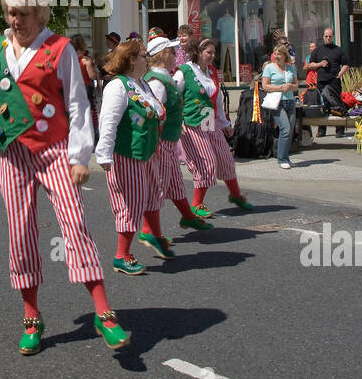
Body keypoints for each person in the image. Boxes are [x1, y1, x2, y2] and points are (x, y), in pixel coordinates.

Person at [0, 0, 129, 355]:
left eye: (23, 14)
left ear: (40, 14)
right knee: (21, 232)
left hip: (55, 150)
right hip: (12, 152)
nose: (16, 20)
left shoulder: (58, 50)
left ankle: (103, 313)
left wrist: (80, 156)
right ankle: (31, 316)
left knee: (74, 225)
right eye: (11, 13)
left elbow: (77, 105)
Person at [94, 37, 166, 275]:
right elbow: (108, 122)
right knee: (130, 204)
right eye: (144, 56)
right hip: (127, 155)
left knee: (152, 196)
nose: (147, 59)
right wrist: (104, 155)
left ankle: (154, 237)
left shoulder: (142, 84)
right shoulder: (118, 86)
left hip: (147, 154)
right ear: (132, 60)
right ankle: (121, 256)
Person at [143, 29, 211, 236]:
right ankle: (148, 232)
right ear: (163, 54)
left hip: (169, 141)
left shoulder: (164, 76)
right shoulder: (157, 80)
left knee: (174, 184)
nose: (175, 55)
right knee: (158, 188)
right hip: (161, 142)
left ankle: (188, 217)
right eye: (172, 52)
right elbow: (152, 113)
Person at [175, 36, 252, 215]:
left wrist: (224, 123)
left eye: (213, 52)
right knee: (206, 162)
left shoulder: (211, 72)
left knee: (226, 159)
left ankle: (236, 195)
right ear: (198, 53)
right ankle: (196, 205)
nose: (212, 55)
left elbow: (216, 99)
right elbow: (172, 97)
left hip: (211, 121)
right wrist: (177, 121)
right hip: (192, 123)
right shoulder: (184, 71)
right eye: (208, 52)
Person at [261, 42, 299, 169]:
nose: (276, 56)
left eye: (279, 54)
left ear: (284, 55)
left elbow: (296, 85)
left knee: (290, 131)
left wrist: (290, 87)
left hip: (290, 101)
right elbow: (265, 85)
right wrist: (279, 88)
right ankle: (281, 158)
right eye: (275, 54)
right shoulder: (269, 68)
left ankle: (286, 157)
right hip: (277, 102)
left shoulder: (290, 68)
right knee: (285, 128)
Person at [307, 28, 349, 137]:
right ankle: (322, 130)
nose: (328, 38)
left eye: (330, 36)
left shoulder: (338, 50)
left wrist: (340, 74)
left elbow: (346, 64)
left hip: (334, 81)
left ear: (333, 37)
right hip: (321, 81)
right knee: (323, 106)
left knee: (337, 104)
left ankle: (339, 129)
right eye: (326, 36)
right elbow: (310, 65)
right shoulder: (318, 50)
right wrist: (320, 64)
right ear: (323, 37)